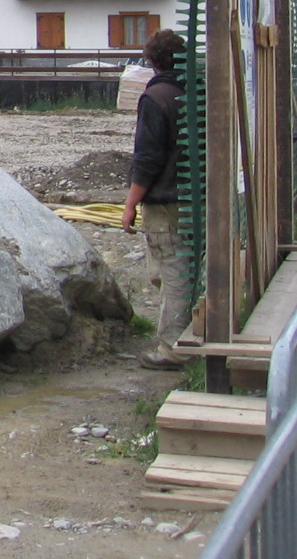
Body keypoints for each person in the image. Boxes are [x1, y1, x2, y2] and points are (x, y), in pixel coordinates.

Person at [121, 29, 191, 370]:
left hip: (166, 200)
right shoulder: (195, 92)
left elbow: (147, 158)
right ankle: (194, 335)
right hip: (197, 197)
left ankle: (174, 348)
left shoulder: (156, 98)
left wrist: (131, 202)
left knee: (172, 270)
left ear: (151, 61)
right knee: (189, 268)